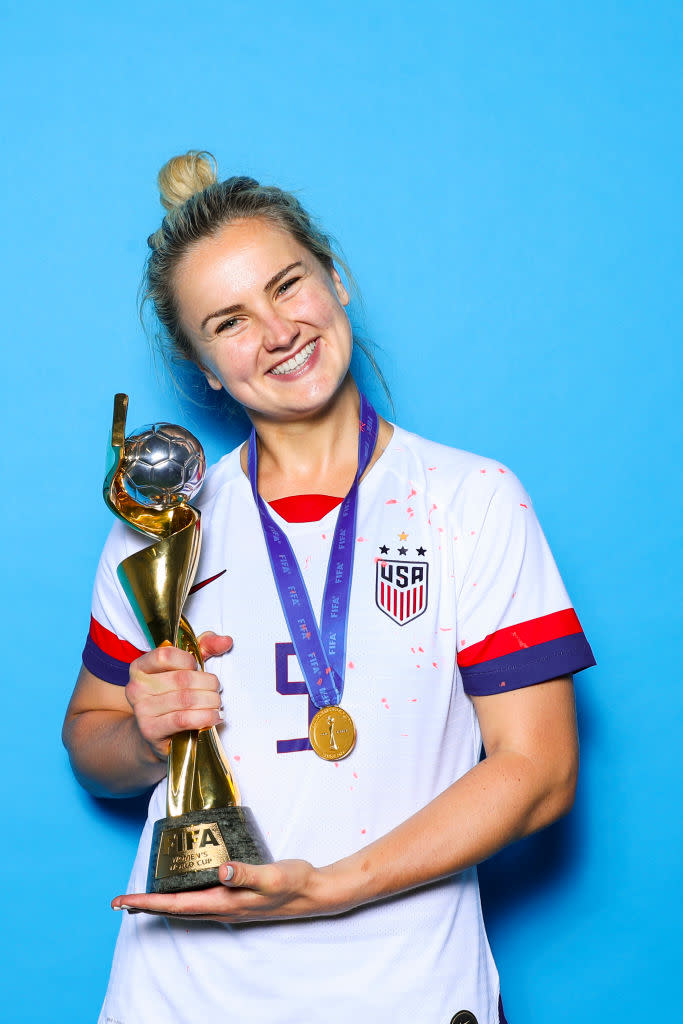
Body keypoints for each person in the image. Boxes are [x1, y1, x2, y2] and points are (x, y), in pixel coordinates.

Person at [63, 150, 595, 1024]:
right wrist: (149, 736)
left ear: (335, 279)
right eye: (228, 322)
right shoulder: (160, 526)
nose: (275, 332)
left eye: (287, 285)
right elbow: (92, 746)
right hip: (182, 998)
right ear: (200, 364)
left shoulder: (469, 498)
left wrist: (325, 890)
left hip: (409, 990)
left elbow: (537, 770)